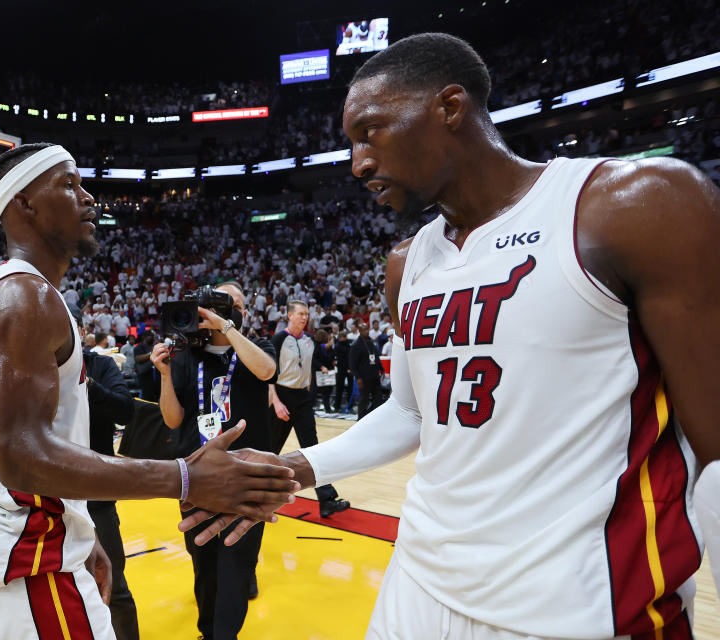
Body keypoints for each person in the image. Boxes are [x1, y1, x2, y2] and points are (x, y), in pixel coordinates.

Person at [181, 33, 720, 639]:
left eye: (370, 132)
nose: (357, 163)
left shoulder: (634, 206)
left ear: (449, 107)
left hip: (578, 601)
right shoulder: (405, 263)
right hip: (418, 577)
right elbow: (411, 411)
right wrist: (291, 469)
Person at [0, 143, 298, 640]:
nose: (89, 199)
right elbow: (20, 457)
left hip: (28, 555)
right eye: (69, 185)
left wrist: (81, 537)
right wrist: (184, 478)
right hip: (28, 566)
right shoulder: (24, 297)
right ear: (24, 203)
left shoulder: (31, 295)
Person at [150, 281, 277, 640]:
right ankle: (208, 632)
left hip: (248, 477)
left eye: (226, 303)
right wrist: (164, 376)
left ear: (240, 311)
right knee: (204, 564)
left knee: (237, 567)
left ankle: (224, 635)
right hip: (199, 477)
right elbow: (173, 420)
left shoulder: (258, 347)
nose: (213, 312)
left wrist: (227, 329)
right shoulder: (188, 357)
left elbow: (266, 371)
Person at [269, 300, 348, 518]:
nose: (304, 317)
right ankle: (255, 494)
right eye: (300, 314)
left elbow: (310, 365)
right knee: (269, 450)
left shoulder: (309, 340)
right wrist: (275, 401)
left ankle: (327, 500)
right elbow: (268, 374)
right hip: (282, 396)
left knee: (313, 449)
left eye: (306, 314)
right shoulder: (278, 339)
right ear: (290, 316)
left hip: (302, 398)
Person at [84, 347, 139, 640]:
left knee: (113, 584)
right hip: (50, 496)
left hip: (96, 496)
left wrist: (89, 384)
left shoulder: (99, 365)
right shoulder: (34, 366)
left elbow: (126, 411)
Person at [349, 322, 384, 418]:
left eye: (367, 329)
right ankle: (360, 420)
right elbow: (352, 364)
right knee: (364, 400)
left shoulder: (372, 342)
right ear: (359, 331)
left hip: (375, 376)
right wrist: (358, 378)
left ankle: (372, 418)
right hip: (364, 378)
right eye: (364, 330)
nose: (367, 331)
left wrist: (382, 369)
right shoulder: (356, 345)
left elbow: (376, 357)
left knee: (378, 400)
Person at [311, 329, 336, 416]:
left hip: (323, 371)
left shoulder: (319, 346)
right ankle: (310, 408)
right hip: (316, 371)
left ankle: (327, 409)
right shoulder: (315, 346)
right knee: (314, 391)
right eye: (325, 336)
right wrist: (321, 366)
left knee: (326, 391)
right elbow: (313, 359)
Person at [331, 327, 354, 414]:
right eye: (343, 337)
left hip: (346, 369)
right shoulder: (339, 346)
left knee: (347, 389)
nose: (345, 338)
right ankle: (338, 406)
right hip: (342, 369)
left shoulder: (347, 345)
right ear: (340, 337)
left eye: (345, 337)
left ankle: (348, 406)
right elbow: (336, 359)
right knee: (340, 389)